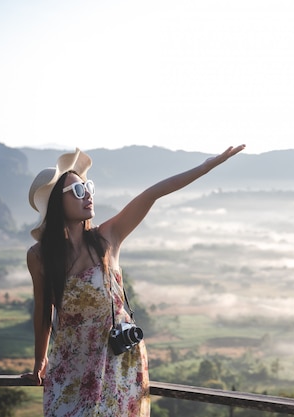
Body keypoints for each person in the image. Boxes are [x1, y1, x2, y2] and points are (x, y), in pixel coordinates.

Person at [22, 145, 245, 416]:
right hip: (71, 364)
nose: (88, 195)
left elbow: (153, 193)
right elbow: (44, 311)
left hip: (116, 362)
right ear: (58, 203)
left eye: (89, 187)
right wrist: (39, 359)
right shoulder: (40, 256)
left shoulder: (108, 238)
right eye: (78, 191)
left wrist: (206, 166)